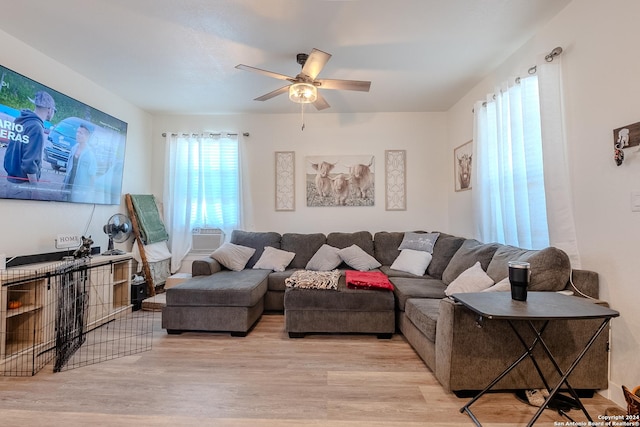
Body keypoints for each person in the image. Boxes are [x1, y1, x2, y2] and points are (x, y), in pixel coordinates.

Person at [3, 91, 56, 199]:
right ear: (49, 110)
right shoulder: (36, 127)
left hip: (11, 181)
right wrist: (35, 188)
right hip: (22, 187)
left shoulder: (21, 121)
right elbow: (29, 163)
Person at [63, 123, 97, 203]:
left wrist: (90, 193)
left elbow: (92, 176)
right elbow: (68, 168)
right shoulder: (73, 148)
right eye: (77, 132)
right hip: (69, 187)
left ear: (87, 136)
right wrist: (64, 183)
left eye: (81, 133)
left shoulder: (90, 154)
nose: (77, 134)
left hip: (80, 192)